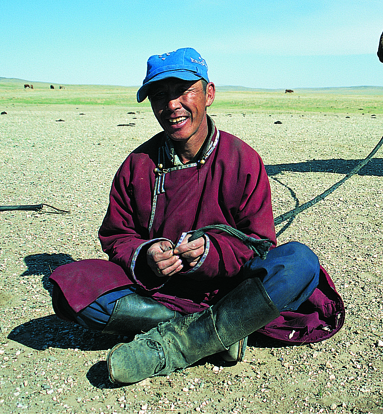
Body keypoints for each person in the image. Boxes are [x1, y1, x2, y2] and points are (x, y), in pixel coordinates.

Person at [49, 47, 344, 384]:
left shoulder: (243, 159)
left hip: (233, 289)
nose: (171, 104)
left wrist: (208, 252)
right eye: (159, 94)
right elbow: (117, 236)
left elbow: (260, 244)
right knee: (71, 287)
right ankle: (223, 330)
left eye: (183, 90)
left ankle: (178, 345)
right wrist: (145, 255)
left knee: (299, 262)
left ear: (209, 94)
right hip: (162, 291)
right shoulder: (137, 165)